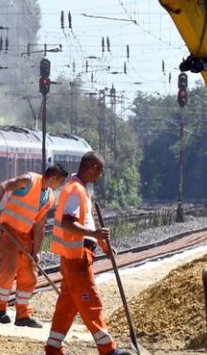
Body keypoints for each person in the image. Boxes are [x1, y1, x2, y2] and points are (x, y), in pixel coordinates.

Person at [45, 151, 131, 355]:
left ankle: (53, 347)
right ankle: (107, 349)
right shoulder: (76, 190)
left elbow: (86, 223)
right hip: (77, 256)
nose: (99, 177)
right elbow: (68, 223)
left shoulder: (80, 189)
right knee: (90, 300)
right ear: (91, 167)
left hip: (73, 255)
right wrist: (93, 234)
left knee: (68, 304)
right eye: (99, 172)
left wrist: (102, 245)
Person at [0, 164, 68, 328]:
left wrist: (37, 251)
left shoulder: (50, 197)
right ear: (53, 178)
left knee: (30, 275)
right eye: (60, 182)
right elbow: (2, 186)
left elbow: (39, 226)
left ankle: (23, 315)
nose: (60, 185)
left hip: (28, 236)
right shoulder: (28, 180)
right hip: (10, 230)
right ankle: (0, 308)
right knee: (9, 270)